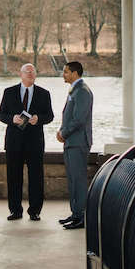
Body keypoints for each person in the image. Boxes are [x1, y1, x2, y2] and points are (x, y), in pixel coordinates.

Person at [0, 63, 54, 221]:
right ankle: (15, 210)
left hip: (35, 142)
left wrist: (39, 119)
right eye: (27, 72)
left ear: (36, 75)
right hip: (14, 142)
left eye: (32, 72)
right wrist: (11, 119)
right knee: (13, 176)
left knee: (36, 177)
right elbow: (1, 114)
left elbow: (50, 116)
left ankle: (35, 211)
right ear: (20, 74)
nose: (30, 74)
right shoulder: (9, 92)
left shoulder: (44, 93)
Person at [56, 61, 93, 229]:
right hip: (71, 142)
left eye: (66, 72)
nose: (63, 74)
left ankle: (82, 217)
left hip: (78, 143)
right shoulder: (75, 89)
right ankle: (75, 213)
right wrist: (62, 130)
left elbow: (79, 119)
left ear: (75, 73)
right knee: (72, 180)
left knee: (78, 180)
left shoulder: (83, 91)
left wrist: (64, 133)